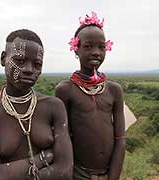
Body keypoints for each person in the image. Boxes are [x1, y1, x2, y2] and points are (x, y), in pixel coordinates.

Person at [0, 29, 73, 180]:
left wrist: (10, 173)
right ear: (3, 58)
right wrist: (42, 159)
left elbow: (65, 172)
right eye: (19, 61)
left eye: (37, 64)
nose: (29, 70)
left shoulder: (53, 107)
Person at [55, 12, 126, 180]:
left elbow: (120, 138)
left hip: (110, 173)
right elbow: (62, 138)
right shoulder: (66, 90)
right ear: (76, 49)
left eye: (101, 47)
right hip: (77, 174)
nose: (96, 52)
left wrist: (113, 177)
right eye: (88, 46)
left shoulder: (114, 90)